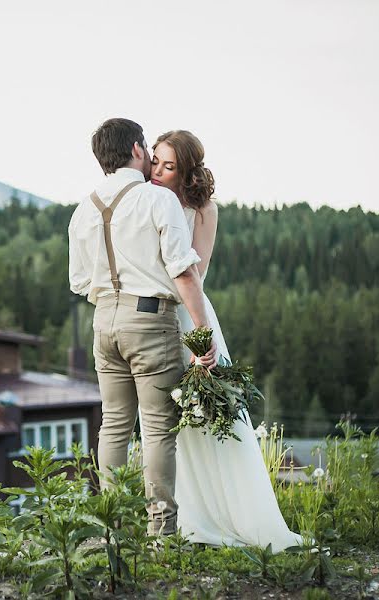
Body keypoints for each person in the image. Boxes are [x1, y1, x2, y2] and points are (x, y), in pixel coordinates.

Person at [149, 130, 303, 551]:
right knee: (169, 420)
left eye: (169, 165)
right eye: (155, 162)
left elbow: (198, 273)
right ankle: (186, 517)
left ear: (187, 170)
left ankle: (240, 516)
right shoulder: (146, 197)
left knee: (213, 414)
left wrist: (197, 331)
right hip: (151, 315)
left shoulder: (204, 210)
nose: (158, 172)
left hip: (190, 314)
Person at [68, 118, 215, 536]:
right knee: (156, 427)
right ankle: (161, 532)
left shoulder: (83, 209)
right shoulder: (157, 200)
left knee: (113, 423)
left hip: (103, 321)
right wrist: (202, 335)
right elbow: (184, 272)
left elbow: (79, 281)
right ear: (136, 148)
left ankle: (112, 527)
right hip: (150, 320)